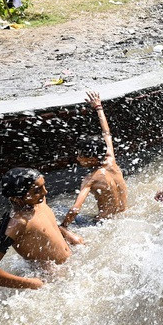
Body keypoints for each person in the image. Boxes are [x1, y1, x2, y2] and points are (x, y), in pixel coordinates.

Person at [0, 168, 83, 289]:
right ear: (16, 198)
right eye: (37, 190)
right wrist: (32, 283)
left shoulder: (38, 201)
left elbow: (45, 227)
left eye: (44, 186)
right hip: (53, 281)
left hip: (72, 265)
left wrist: (66, 233)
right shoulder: (16, 223)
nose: (45, 192)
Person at [61, 91, 128, 228]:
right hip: (123, 217)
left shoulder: (90, 179)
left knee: (58, 208)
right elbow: (106, 133)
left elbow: (74, 210)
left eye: (81, 155)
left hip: (103, 224)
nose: (78, 158)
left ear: (91, 159)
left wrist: (63, 227)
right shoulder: (111, 160)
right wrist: (99, 108)